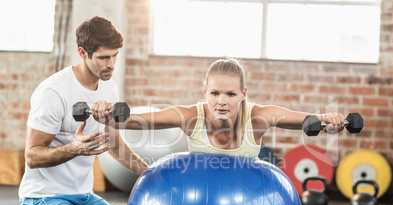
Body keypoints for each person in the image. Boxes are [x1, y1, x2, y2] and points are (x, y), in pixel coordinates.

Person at [13, 16, 148, 205]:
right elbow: (31, 156)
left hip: (82, 195)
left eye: (115, 56)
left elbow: (114, 143)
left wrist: (148, 171)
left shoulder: (109, 87)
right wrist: (74, 148)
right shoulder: (53, 92)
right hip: (44, 196)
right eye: (104, 58)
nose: (111, 64)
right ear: (82, 52)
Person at [92, 58, 345, 159]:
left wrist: (328, 120)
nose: (221, 101)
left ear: (243, 95)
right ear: (205, 93)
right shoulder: (191, 116)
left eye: (230, 94)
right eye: (215, 93)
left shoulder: (258, 118)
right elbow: (136, 121)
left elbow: (306, 120)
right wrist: (107, 114)